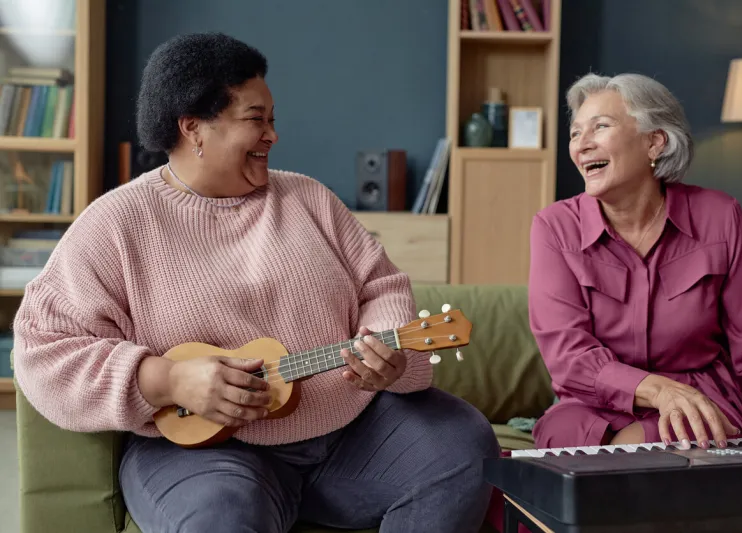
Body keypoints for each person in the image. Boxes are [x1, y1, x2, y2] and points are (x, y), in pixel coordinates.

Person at [12, 32, 499, 533]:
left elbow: (381, 285)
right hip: (201, 455)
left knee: (461, 443)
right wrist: (165, 379)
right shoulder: (115, 224)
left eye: (272, 120)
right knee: (221, 516)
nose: (272, 136)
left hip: (351, 436)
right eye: (255, 120)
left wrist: (386, 350)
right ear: (193, 127)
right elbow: (41, 347)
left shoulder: (309, 198)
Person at [528, 72, 742, 451]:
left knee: (666, 437)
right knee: (563, 436)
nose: (581, 145)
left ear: (654, 142)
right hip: (594, 402)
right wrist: (657, 390)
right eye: (575, 133)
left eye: (600, 127)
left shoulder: (719, 216)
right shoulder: (555, 227)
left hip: (700, 398)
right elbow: (569, 356)